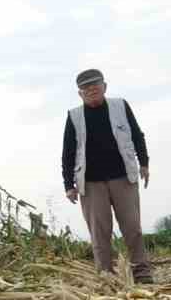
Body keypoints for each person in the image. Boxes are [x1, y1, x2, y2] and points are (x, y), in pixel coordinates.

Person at [61, 68, 153, 283]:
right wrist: (68, 184)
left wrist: (144, 163)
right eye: (86, 89)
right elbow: (68, 152)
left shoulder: (120, 106)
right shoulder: (74, 116)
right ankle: (107, 278)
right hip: (91, 184)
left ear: (104, 87)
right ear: (80, 94)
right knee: (99, 234)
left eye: (95, 87)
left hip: (123, 177)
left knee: (132, 227)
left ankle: (142, 273)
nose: (92, 91)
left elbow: (137, 134)